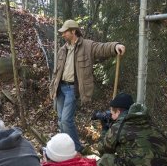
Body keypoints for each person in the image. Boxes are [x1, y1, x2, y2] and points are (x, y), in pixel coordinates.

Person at [49, 19, 126, 153]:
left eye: (65, 32)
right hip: (60, 88)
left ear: (73, 31)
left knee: (66, 120)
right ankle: (65, 148)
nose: (62, 35)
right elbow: (57, 71)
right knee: (61, 120)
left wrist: (115, 46)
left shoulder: (87, 45)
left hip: (73, 89)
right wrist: (53, 87)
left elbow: (102, 48)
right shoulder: (63, 49)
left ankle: (76, 149)